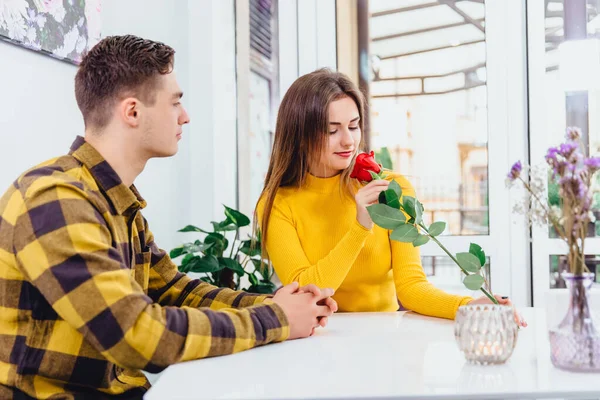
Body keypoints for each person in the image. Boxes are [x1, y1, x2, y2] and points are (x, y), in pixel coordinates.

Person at [0, 35, 336, 399]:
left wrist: (276, 303)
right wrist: (277, 320)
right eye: (175, 102)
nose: (185, 116)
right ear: (132, 112)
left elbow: (175, 291)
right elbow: (135, 334)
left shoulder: (114, 201)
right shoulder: (55, 200)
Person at [256, 68, 526, 324]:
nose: (348, 140)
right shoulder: (277, 204)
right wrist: (360, 226)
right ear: (300, 135)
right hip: (315, 338)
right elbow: (305, 295)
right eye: (332, 130)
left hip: (385, 337)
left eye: (353, 125)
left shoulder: (391, 189)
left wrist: (468, 306)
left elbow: (411, 287)